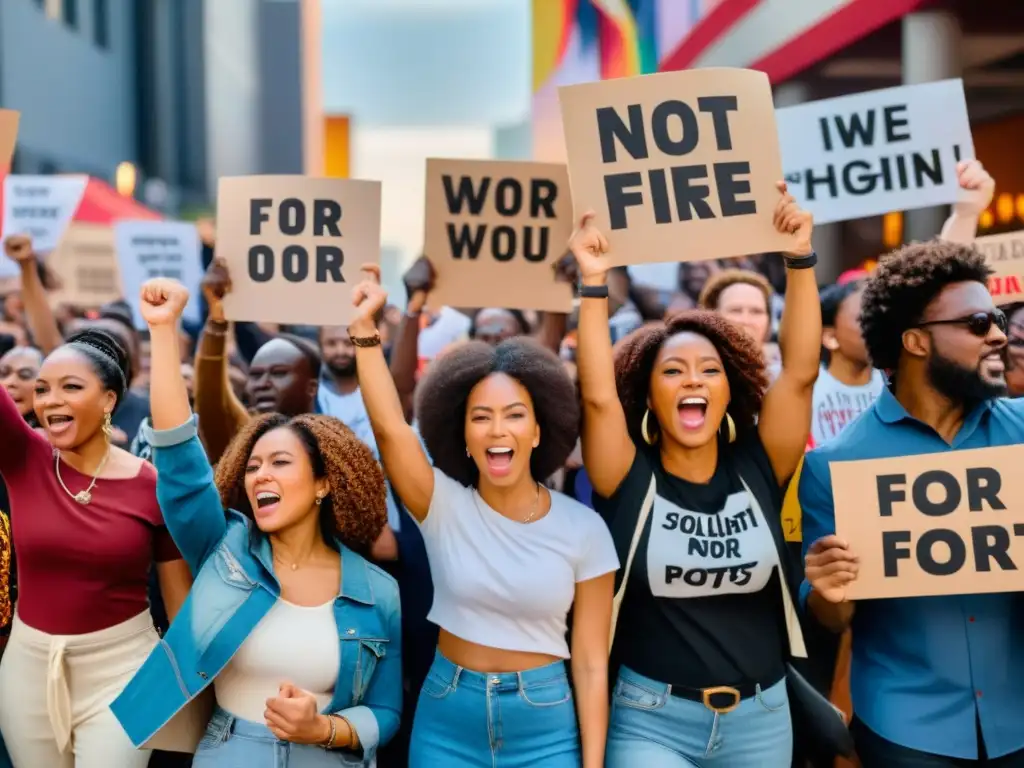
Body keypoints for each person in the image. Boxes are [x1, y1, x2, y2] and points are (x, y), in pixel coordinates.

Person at [573, 183, 821, 767]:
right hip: (651, 721)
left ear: (729, 388)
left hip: (761, 721)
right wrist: (592, 283)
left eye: (709, 370)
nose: (692, 381)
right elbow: (597, 398)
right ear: (648, 394)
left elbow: (802, 373)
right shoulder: (627, 474)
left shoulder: (761, 464)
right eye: (674, 371)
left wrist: (800, 257)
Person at [112, 278, 402, 766]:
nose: (260, 474)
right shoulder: (223, 550)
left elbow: (389, 708)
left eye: (280, 463)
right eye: (251, 466)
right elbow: (180, 462)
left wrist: (327, 729)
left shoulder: (377, 590)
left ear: (323, 484)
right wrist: (161, 333)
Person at [349, 265, 619, 767]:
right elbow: (389, 428)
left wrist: (594, 763)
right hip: (448, 716)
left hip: (547, 725)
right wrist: (366, 332)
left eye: (515, 415)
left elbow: (589, 662)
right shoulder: (441, 504)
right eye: (481, 417)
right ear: (463, 436)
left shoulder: (585, 530)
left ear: (539, 432)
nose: (498, 430)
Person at [801, 241, 1024, 767]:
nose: (999, 335)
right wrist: (828, 588)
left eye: (996, 318)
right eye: (976, 323)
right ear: (916, 342)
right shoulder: (835, 464)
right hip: (906, 732)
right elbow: (832, 618)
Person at [0, 327, 192, 768]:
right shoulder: (22, 456)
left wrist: (188, 685)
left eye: (71, 387)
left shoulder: (152, 485)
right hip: (28, 671)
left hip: (123, 673)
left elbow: (178, 600)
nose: (51, 401)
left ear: (108, 400)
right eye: (43, 389)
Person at [192, 259, 322, 464]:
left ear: (312, 386)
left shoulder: (332, 444)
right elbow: (210, 396)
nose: (263, 383)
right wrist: (217, 321)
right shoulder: (241, 436)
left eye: (279, 373)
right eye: (255, 375)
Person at [810, 281, 885, 449]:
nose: (879, 328)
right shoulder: (807, 393)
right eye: (865, 319)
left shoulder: (898, 389)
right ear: (830, 338)